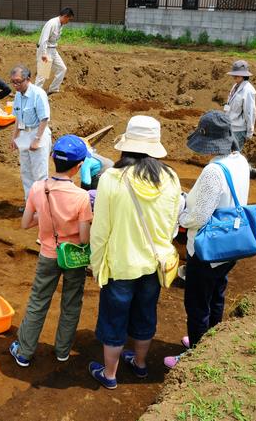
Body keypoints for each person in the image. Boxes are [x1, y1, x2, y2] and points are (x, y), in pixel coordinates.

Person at [89, 115, 181, 389]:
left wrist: (96, 264)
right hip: (155, 265)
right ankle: (140, 365)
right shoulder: (171, 178)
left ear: (126, 145)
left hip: (120, 266)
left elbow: (100, 230)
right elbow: (173, 223)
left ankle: (110, 375)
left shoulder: (112, 179)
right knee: (145, 314)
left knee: (113, 319)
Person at [163, 111, 249, 369]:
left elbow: (198, 216)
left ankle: (195, 357)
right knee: (216, 294)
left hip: (206, 248)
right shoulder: (240, 161)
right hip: (230, 242)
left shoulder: (213, 171)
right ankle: (210, 342)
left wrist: (181, 211)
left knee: (197, 302)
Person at [9, 135, 92, 367]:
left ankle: (24, 352)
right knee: (71, 302)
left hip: (47, 253)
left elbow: (26, 223)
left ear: (52, 158)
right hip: (74, 257)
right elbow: (84, 237)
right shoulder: (82, 196)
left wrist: (46, 217)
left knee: (38, 301)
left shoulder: (38, 188)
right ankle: (62, 351)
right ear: (79, 166)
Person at [10, 65, 51, 206]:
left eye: (18, 81)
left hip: (38, 132)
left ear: (28, 79)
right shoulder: (17, 95)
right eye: (13, 82)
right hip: (24, 133)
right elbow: (18, 118)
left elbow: (44, 118)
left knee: (39, 173)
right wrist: (14, 137)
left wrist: (36, 140)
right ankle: (30, 203)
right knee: (25, 170)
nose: (15, 85)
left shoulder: (38, 94)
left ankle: (42, 206)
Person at [35, 7, 74, 95]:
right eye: (69, 19)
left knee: (62, 68)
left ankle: (53, 90)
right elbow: (43, 39)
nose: (69, 22)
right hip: (45, 50)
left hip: (53, 50)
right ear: (65, 16)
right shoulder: (52, 23)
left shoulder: (61, 24)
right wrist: (44, 54)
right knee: (42, 75)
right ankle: (35, 95)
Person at [224, 60, 256, 151]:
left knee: (233, 157)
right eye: (234, 75)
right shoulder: (235, 86)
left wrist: (250, 132)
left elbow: (250, 113)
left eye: (237, 75)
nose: (234, 77)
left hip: (239, 130)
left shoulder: (248, 90)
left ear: (244, 75)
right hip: (229, 127)